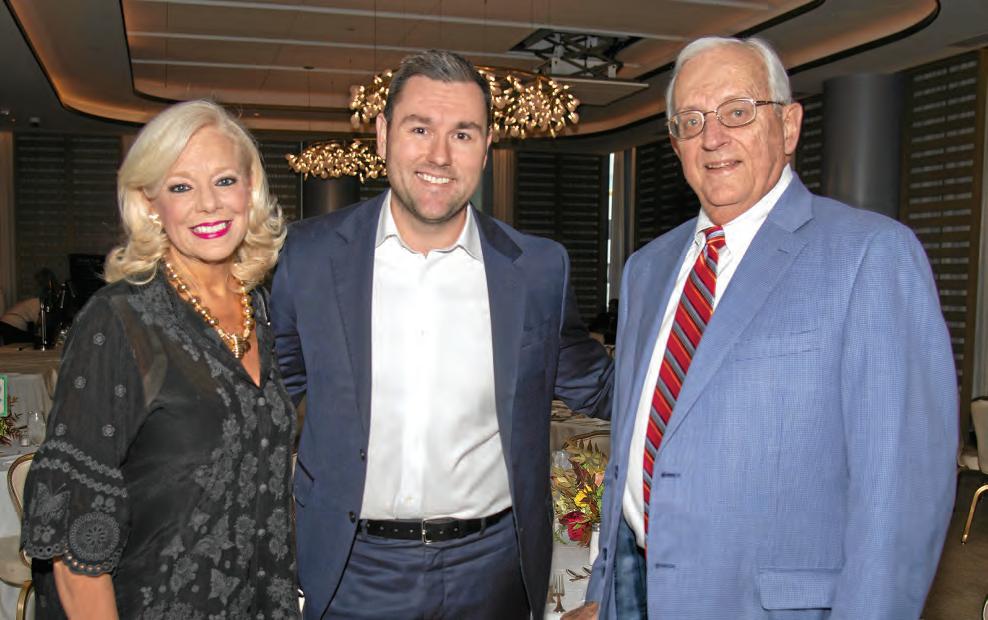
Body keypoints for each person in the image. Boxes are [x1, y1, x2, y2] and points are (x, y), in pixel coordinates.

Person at [568, 36, 957, 620]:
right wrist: (605, 592)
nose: (712, 137)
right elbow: (632, 447)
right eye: (691, 120)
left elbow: (900, 500)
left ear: (789, 126)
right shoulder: (647, 268)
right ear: (675, 143)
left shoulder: (870, 256)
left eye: (737, 112)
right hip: (640, 595)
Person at [271, 49, 613, 619]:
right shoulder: (308, 258)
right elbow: (265, 402)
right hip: (352, 569)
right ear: (382, 134)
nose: (439, 155)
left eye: (462, 134)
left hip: (493, 569)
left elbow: (603, 389)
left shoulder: (537, 269)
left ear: (487, 146)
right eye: (419, 129)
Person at [20, 100, 299, 619]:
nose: (208, 204)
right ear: (150, 204)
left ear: (251, 190)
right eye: (181, 187)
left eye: (224, 181)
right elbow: (77, 544)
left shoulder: (257, 308)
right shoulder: (120, 319)